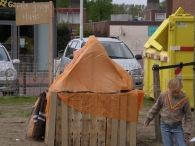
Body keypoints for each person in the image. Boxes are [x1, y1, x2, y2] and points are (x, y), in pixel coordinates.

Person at [144, 78, 193, 146]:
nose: (175, 94)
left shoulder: (185, 100)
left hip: (177, 127)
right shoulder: (164, 95)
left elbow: (189, 117)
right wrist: (148, 118)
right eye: (173, 92)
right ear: (169, 88)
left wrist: (187, 132)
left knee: (182, 144)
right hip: (164, 126)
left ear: (181, 87)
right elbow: (156, 107)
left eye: (177, 92)